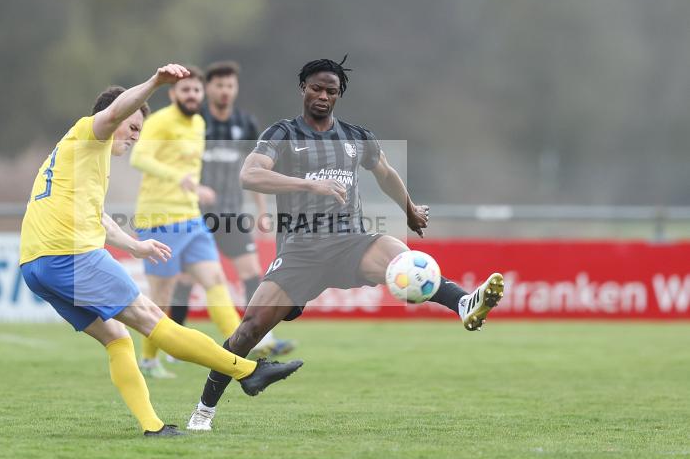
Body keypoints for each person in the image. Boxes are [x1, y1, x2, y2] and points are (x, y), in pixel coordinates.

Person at [186, 57, 504, 431]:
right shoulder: (282, 134)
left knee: (402, 258)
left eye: (331, 91)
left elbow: (385, 173)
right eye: (316, 88)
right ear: (303, 88)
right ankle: (203, 411)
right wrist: (308, 184)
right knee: (249, 331)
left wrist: (410, 208)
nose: (323, 96)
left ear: (339, 95)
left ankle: (464, 302)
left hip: (348, 241)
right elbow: (250, 174)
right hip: (300, 251)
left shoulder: (357, 137)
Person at [18, 64, 303, 437]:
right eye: (133, 127)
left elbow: (97, 215)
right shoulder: (91, 133)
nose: (136, 136)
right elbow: (117, 111)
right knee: (155, 321)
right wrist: (155, 83)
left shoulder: (77, 155)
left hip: (35, 265)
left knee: (117, 337)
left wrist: (134, 245)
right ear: (113, 117)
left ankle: (153, 427)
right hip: (70, 256)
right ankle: (248, 371)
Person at [167, 60, 296, 359]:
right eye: (219, 85)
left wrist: (262, 209)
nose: (225, 91)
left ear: (235, 89)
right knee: (185, 278)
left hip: (233, 214)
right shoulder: (195, 121)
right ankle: (174, 345)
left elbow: (257, 168)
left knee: (251, 271)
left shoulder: (246, 123)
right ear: (207, 89)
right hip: (195, 214)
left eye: (230, 85)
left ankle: (263, 336)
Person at [129, 66, 246, 379]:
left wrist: (197, 188)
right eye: (185, 90)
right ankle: (149, 360)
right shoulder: (161, 121)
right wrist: (178, 178)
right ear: (173, 94)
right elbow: (138, 157)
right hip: (159, 219)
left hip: (191, 218)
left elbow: (191, 169)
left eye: (196, 90)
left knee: (216, 280)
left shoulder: (198, 122)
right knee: (162, 296)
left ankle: (239, 351)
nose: (192, 95)